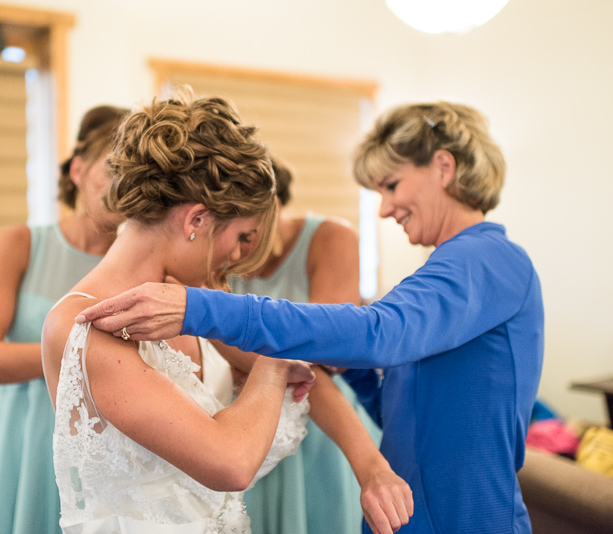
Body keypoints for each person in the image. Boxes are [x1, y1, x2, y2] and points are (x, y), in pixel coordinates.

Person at [75, 101, 545, 534]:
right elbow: (407, 415)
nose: (384, 209)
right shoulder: (449, 267)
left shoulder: (490, 259)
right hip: (406, 516)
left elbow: (384, 332)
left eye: (392, 185)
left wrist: (202, 308)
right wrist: (350, 368)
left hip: (469, 518)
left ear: (444, 166)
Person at [41, 91, 412, 534]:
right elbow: (230, 462)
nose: (236, 259)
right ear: (196, 220)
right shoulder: (81, 327)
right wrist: (274, 361)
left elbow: (312, 381)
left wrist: (370, 466)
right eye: (240, 238)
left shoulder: (191, 298)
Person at [0, 105, 129, 534]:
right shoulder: (21, 244)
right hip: (18, 434)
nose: (121, 186)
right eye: (111, 169)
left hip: (98, 438)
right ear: (78, 170)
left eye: (135, 175)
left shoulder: (140, 267)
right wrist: (84, 353)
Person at [230, 157, 381, 534]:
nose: (237, 252)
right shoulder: (218, 253)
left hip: (321, 421)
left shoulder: (332, 238)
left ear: (274, 206)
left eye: (248, 233)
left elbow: (324, 349)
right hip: (247, 423)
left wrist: (244, 356)